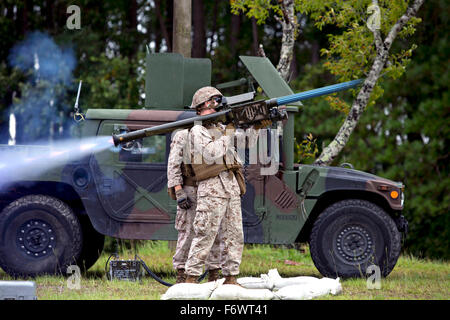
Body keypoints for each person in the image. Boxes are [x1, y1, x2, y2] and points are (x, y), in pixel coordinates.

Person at [183, 86, 268, 285]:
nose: (215, 108)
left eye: (216, 104)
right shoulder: (197, 130)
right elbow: (211, 153)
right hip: (211, 189)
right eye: (211, 104)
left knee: (234, 235)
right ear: (200, 108)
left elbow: (246, 143)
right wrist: (229, 131)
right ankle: (191, 278)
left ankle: (230, 277)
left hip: (231, 188)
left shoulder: (221, 129)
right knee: (205, 233)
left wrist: (257, 127)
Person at [167, 128, 223, 283]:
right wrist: (178, 191)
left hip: (212, 188)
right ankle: (181, 275)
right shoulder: (184, 135)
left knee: (213, 230)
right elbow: (173, 164)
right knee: (188, 232)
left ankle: (213, 274)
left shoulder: (218, 133)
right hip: (190, 189)